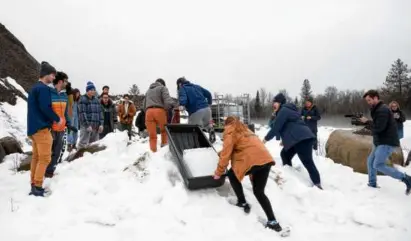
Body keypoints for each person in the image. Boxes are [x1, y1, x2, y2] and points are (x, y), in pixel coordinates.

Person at [213, 116, 283, 232]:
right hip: (265, 159)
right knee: (259, 192)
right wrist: (220, 153)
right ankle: (273, 222)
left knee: (231, 175)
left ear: (226, 124)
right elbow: (242, 146)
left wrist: (218, 172)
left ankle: (242, 202)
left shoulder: (229, 130)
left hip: (250, 160)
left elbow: (226, 154)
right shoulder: (245, 129)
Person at [264, 93, 322, 189]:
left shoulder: (284, 110)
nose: (273, 104)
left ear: (281, 103)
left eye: (276, 102)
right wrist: (284, 140)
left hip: (302, 139)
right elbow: (289, 126)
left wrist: (265, 139)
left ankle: (318, 184)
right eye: (273, 102)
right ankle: (290, 177)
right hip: (296, 139)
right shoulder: (284, 111)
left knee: (307, 162)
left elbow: (276, 128)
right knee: (285, 154)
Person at [359, 90, 411, 195]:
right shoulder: (377, 109)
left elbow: (379, 127)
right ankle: (372, 184)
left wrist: (367, 122)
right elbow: (378, 125)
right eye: (367, 101)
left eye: (369, 100)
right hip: (379, 141)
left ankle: (406, 178)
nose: (368, 102)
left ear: (375, 98)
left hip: (386, 141)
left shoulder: (382, 110)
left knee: (378, 164)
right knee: (370, 161)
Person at [27, 61, 61, 196]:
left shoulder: (34, 88)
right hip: (41, 128)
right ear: (46, 74)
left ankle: (34, 183)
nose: (53, 78)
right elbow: (46, 108)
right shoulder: (43, 89)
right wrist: (58, 118)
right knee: (45, 158)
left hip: (33, 129)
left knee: (36, 157)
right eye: (52, 75)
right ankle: (38, 186)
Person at [44, 72, 71, 178]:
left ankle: (50, 172)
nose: (67, 83)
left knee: (57, 151)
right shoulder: (48, 93)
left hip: (61, 128)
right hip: (50, 128)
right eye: (66, 81)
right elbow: (45, 110)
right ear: (60, 81)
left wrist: (68, 123)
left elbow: (64, 113)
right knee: (46, 152)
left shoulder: (64, 95)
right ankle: (41, 172)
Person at [177, 77, 216, 143]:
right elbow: (208, 94)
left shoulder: (183, 88)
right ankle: (210, 129)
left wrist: (182, 105)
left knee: (193, 128)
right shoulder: (197, 86)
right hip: (207, 109)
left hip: (196, 110)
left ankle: (197, 143)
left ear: (180, 84)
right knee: (207, 124)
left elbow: (183, 98)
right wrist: (209, 103)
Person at [143, 78, 176, 151]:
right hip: (159, 110)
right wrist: (167, 109)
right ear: (163, 84)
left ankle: (153, 151)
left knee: (152, 135)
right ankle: (164, 149)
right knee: (164, 131)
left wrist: (148, 111)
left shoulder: (148, 91)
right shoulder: (162, 88)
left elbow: (143, 105)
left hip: (148, 112)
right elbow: (167, 100)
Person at [78, 81, 104, 149]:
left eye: (94, 90)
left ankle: (92, 159)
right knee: (83, 145)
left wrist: (101, 124)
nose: (93, 91)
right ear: (87, 91)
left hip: (96, 127)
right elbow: (82, 113)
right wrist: (87, 125)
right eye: (91, 90)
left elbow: (100, 112)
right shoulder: (83, 99)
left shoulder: (96, 100)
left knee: (94, 145)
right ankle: (79, 159)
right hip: (87, 127)